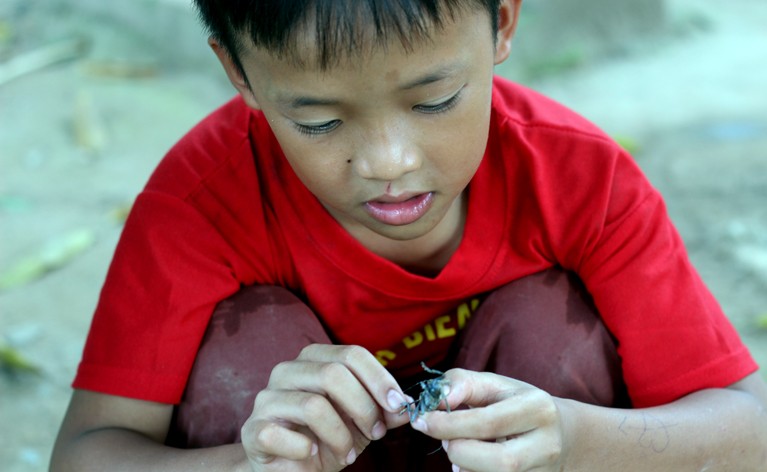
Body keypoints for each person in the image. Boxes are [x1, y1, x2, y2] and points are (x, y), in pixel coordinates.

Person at [50, 0, 767, 471]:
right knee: (245, 352)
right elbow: (86, 456)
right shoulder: (201, 204)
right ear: (237, 71)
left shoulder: (578, 179)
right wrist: (250, 460)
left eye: (435, 100)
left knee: (554, 325)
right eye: (319, 122)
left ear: (503, 23)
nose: (388, 163)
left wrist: (574, 438)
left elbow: (747, 428)